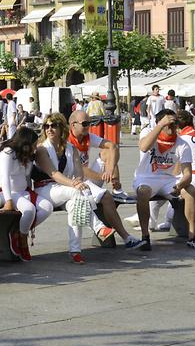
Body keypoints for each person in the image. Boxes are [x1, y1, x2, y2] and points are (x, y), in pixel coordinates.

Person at [34, 113, 141, 263]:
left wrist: (77, 182)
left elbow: (78, 172)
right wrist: (75, 184)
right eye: (46, 126)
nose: (49, 129)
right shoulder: (42, 149)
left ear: (61, 128)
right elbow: (54, 174)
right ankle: (98, 228)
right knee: (77, 193)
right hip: (45, 189)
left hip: (64, 190)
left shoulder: (71, 148)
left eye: (53, 126)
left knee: (76, 205)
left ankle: (75, 251)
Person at [129, 109, 195, 252]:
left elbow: (187, 173)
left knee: (190, 190)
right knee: (143, 192)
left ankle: (192, 237)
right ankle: (145, 237)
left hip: (169, 179)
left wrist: (181, 184)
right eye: (168, 124)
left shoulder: (182, 143)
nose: (172, 127)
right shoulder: (148, 132)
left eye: (174, 124)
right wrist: (160, 125)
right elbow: (144, 147)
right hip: (146, 177)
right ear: (159, 123)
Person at [153, 110, 195, 230]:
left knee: (169, 188)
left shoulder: (183, 140)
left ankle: (166, 221)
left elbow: (177, 170)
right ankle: (156, 219)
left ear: (177, 126)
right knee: (170, 186)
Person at [0, 126, 52, 262]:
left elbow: (27, 177)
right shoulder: (7, 153)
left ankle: (18, 232)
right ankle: (23, 240)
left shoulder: (27, 155)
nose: (35, 147)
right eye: (33, 144)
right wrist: (8, 200)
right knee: (29, 210)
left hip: (23, 190)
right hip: (8, 191)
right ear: (25, 143)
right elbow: (5, 178)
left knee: (47, 207)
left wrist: (31, 192)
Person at [67, 110, 134, 206]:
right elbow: (80, 169)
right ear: (73, 125)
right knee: (105, 197)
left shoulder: (88, 137)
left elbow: (112, 146)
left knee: (108, 152)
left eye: (89, 123)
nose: (88, 127)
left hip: (88, 179)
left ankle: (117, 190)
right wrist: (102, 176)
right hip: (75, 183)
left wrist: (109, 171)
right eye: (85, 124)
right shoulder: (67, 142)